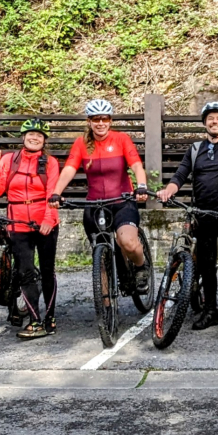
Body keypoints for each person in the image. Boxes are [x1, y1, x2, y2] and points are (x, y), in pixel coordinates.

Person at [156, 101, 218, 330]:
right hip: (203, 215)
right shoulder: (195, 149)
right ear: (205, 123)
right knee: (207, 266)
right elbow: (180, 174)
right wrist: (169, 189)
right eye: (210, 118)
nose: (214, 122)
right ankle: (211, 311)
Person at [48, 99, 152, 294]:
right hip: (95, 203)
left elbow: (136, 165)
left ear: (110, 121)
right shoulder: (81, 143)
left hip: (122, 201)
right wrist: (56, 193)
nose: (101, 123)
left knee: (127, 242)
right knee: (101, 254)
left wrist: (142, 186)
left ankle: (140, 267)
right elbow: (69, 169)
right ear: (89, 122)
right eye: (96, 119)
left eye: (104, 119)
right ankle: (105, 309)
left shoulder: (121, 139)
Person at [0, 118, 61, 339]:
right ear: (23, 137)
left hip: (44, 220)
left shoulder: (50, 162)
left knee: (47, 271)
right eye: (31, 134)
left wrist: (50, 218)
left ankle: (50, 317)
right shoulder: (10, 159)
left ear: (44, 140)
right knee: (25, 271)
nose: (35, 137)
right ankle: (35, 321)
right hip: (17, 221)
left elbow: (53, 192)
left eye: (39, 135)